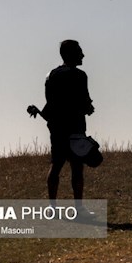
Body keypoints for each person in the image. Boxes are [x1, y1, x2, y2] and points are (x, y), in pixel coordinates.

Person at [40, 40, 95, 216]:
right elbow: (85, 103)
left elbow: (50, 102)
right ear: (71, 53)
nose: (83, 55)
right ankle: (79, 208)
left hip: (57, 129)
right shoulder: (80, 76)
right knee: (77, 168)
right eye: (80, 51)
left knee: (56, 165)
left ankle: (52, 207)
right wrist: (88, 108)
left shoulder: (51, 75)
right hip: (76, 128)